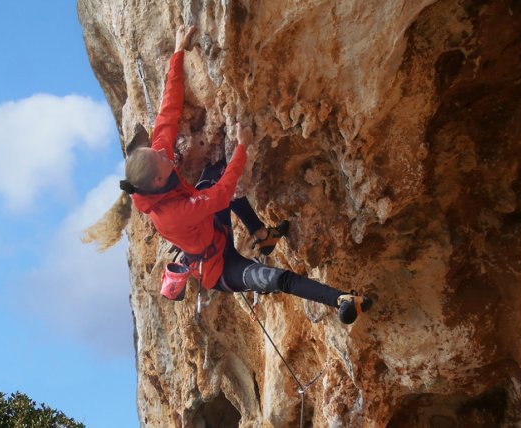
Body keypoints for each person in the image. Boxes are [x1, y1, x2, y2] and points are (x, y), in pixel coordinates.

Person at [89, 25, 372, 324]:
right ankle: (342, 300)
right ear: (158, 181)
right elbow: (221, 194)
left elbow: (168, 112)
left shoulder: (155, 165)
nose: (164, 152)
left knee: (213, 171)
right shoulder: (170, 214)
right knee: (276, 279)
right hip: (218, 268)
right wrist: (242, 147)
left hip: (212, 228)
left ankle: (263, 236)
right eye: (161, 158)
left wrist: (178, 51)